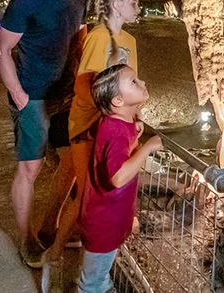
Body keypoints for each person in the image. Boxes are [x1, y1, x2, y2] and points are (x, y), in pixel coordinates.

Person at [0, 0, 86, 263]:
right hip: (31, 94)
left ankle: (51, 227)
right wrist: (18, 94)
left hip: (64, 93)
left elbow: (75, 36)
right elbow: (4, 49)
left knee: (72, 161)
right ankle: (27, 238)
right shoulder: (26, 2)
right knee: (30, 168)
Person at [43, 0, 141, 267]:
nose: (137, 8)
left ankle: (66, 240)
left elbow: (131, 84)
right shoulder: (98, 36)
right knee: (89, 193)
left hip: (114, 127)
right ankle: (57, 253)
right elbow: (85, 83)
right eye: (133, 2)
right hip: (89, 125)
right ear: (117, 5)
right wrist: (107, 116)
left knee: (94, 190)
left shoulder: (130, 41)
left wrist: (133, 118)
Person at [78, 64, 162, 293]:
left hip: (109, 218)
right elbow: (117, 177)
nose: (142, 83)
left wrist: (135, 126)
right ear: (117, 101)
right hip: (103, 224)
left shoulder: (118, 123)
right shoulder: (114, 131)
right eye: (134, 82)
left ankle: (105, 287)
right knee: (90, 283)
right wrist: (147, 149)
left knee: (98, 275)